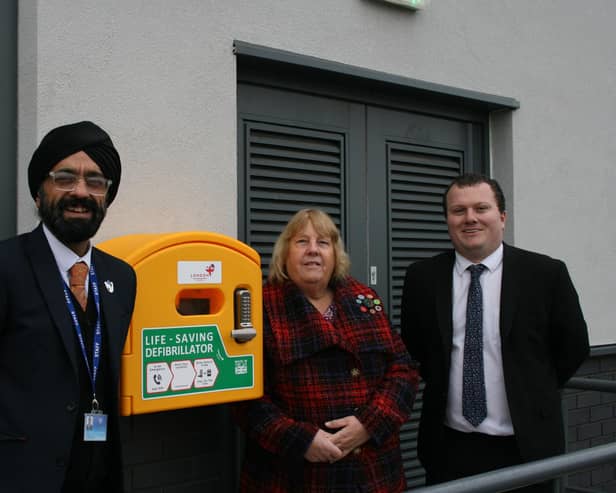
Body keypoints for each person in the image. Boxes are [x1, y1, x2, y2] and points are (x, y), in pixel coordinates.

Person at [400, 173, 589, 492]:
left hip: (526, 448)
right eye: (458, 210)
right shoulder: (422, 277)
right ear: (447, 219)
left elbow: (573, 347)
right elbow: (416, 347)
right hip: (449, 448)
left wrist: (532, 389)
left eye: (481, 208)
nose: (470, 218)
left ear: (501, 216)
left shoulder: (545, 274)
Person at [233, 208, 419, 493]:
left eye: (323, 242)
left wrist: (368, 424)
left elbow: (403, 370)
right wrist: (301, 440)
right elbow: (243, 394)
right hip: (294, 476)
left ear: (335, 254)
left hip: (373, 474)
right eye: (301, 242)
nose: (313, 251)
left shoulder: (365, 299)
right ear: (284, 253)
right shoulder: (258, 306)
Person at [0, 121, 137, 492]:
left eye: (95, 181)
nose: (80, 191)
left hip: (99, 475)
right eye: (65, 177)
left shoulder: (122, 278)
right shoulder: (7, 265)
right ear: (38, 192)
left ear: (106, 197)